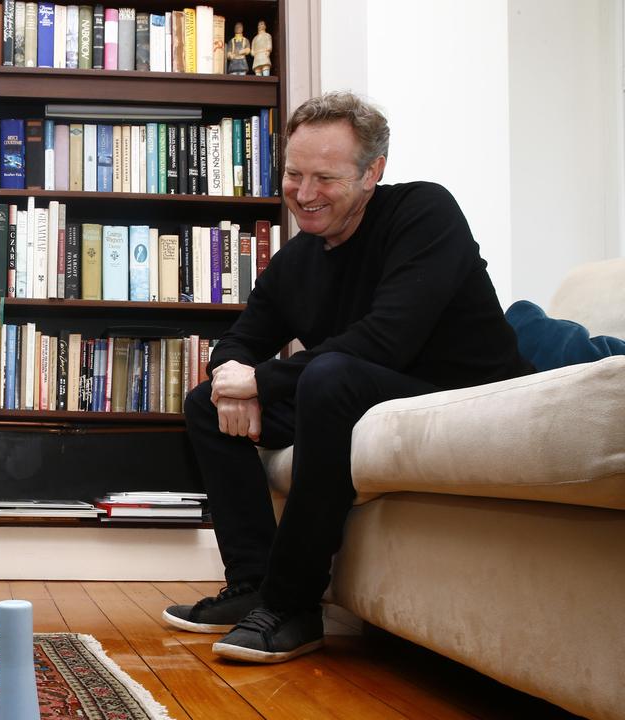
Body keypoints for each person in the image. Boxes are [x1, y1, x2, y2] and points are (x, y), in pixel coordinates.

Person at [163, 91, 532, 663]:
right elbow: (240, 339)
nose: (304, 195)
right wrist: (230, 375)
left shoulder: (424, 213)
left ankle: (293, 606)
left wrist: (259, 383)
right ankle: (254, 584)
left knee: (329, 376)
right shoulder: (299, 257)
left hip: (459, 394)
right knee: (206, 404)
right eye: (293, 174)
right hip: (363, 391)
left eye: (325, 178)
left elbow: (387, 341)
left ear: (372, 173)